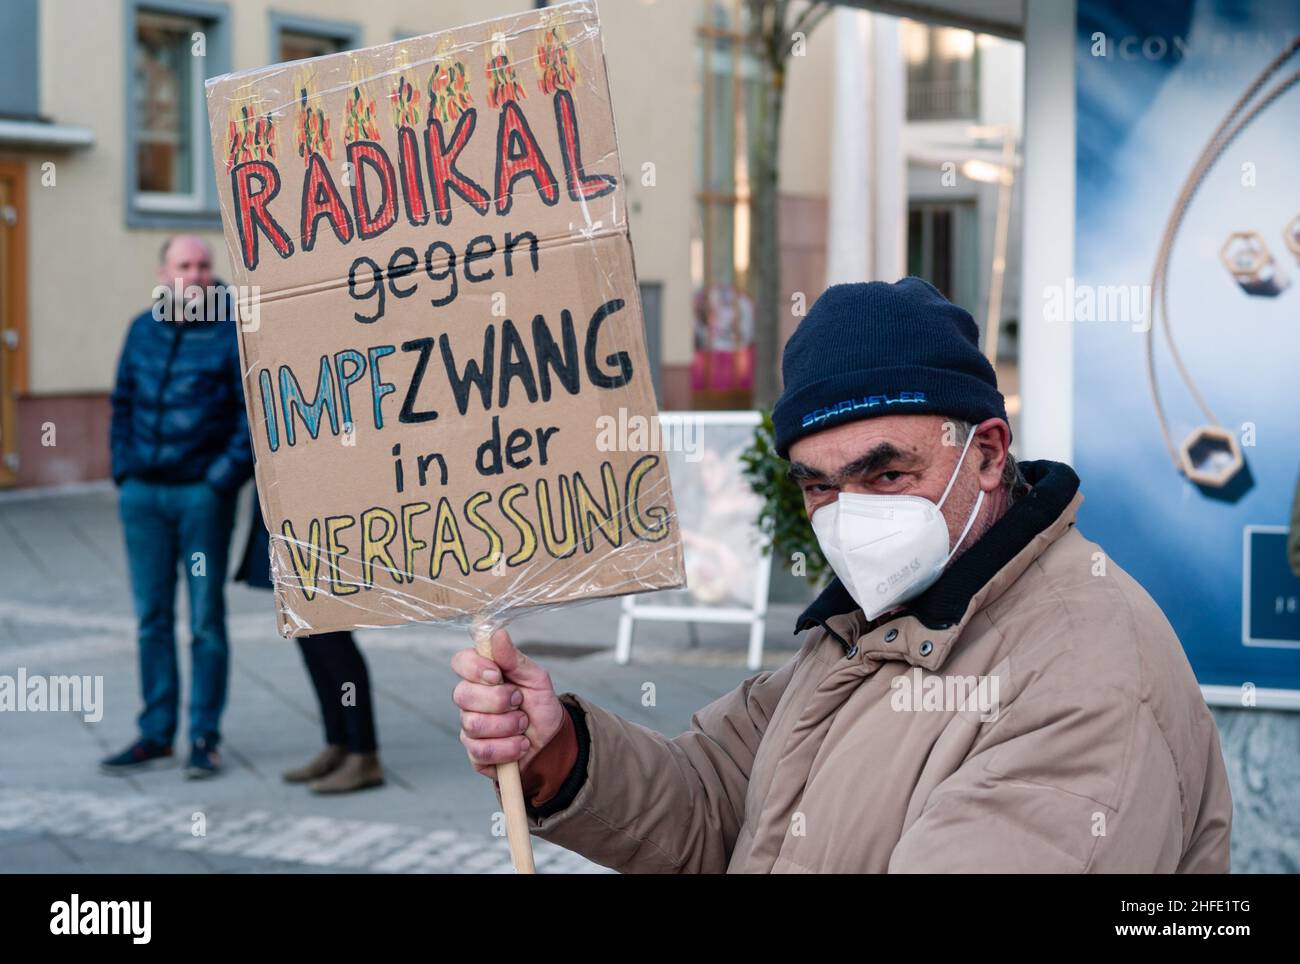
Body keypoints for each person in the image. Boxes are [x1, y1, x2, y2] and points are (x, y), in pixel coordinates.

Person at [450, 278, 1234, 873]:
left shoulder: (1086, 669)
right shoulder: (874, 623)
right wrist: (559, 751)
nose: (849, 516)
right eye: (819, 485)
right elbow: (717, 796)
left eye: (888, 475)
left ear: (988, 454)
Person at [101, 236, 252, 779]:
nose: (196, 274)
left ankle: (203, 737)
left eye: (204, 265)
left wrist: (218, 482)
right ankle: (155, 734)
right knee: (152, 619)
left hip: (200, 498)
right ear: (164, 272)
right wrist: (124, 471)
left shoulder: (232, 329)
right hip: (143, 496)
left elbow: (249, 412)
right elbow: (121, 403)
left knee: (206, 620)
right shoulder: (142, 328)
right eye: (184, 265)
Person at [236, 496, 385, 793]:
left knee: (332, 640)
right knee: (308, 638)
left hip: (320, 513)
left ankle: (363, 751)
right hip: (287, 510)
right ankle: (339, 742)